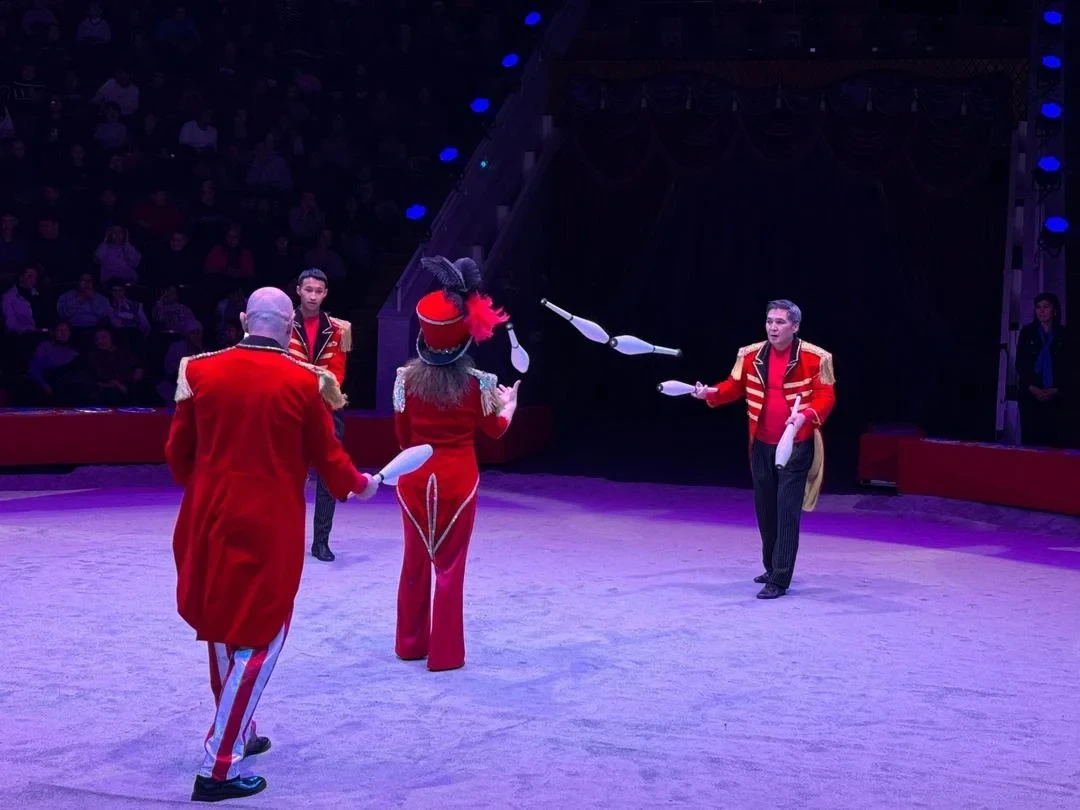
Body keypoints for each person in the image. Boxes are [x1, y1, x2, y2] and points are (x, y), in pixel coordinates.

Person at [165, 287, 378, 803]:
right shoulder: (305, 381)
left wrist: (212, 486)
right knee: (262, 638)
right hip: (267, 524)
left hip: (206, 518)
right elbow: (329, 458)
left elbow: (176, 455)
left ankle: (239, 728)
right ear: (289, 328)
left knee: (222, 625)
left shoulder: (199, 370)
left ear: (244, 319)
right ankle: (219, 766)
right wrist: (360, 485)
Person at [393, 255, 519, 671]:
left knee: (414, 563)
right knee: (450, 568)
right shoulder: (478, 384)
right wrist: (509, 405)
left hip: (414, 479)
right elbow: (496, 431)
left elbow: (402, 440)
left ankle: (410, 644)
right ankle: (445, 654)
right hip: (458, 481)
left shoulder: (404, 380)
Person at [692, 299, 835, 599]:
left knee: (786, 510)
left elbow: (826, 397)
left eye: (780, 322)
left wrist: (805, 416)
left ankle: (780, 579)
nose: (773, 327)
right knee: (766, 508)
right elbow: (733, 387)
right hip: (761, 443)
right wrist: (710, 393)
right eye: (770, 321)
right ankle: (771, 567)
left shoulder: (816, 357)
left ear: (795, 326)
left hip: (796, 443)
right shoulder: (750, 355)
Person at [287, 267, 353, 562]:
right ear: (298, 290)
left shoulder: (339, 329)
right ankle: (287, 538)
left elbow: (337, 373)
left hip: (326, 406)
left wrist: (312, 388)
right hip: (290, 407)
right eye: (308, 290)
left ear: (325, 293)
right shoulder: (282, 323)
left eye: (318, 291)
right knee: (289, 476)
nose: (313, 296)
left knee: (328, 476)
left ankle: (321, 542)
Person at [1016, 292, 1069, 448]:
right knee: (1030, 440)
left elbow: (1069, 366)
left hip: (1056, 396)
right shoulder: (1027, 333)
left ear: (1054, 310)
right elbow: (1021, 364)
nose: (1041, 311)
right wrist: (1032, 388)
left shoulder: (1064, 334)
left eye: (1046, 307)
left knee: (1053, 442)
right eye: (1038, 307)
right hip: (1030, 394)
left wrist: (1056, 389)